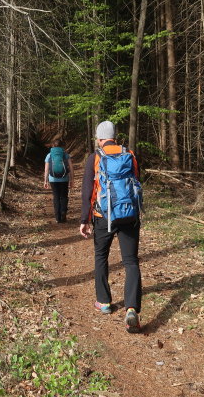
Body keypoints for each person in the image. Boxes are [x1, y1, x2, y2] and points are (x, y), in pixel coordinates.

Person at [79, 121, 142, 333]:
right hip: (129, 215)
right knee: (131, 261)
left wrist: (84, 220)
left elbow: (88, 191)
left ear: (99, 138)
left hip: (103, 216)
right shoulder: (130, 154)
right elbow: (136, 183)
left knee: (101, 257)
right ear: (115, 136)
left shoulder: (95, 157)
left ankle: (104, 301)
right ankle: (132, 308)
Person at [44, 139, 74, 223]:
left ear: (52, 146)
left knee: (56, 196)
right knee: (64, 196)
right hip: (64, 178)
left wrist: (45, 181)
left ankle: (58, 218)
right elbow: (71, 168)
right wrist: (72, 180)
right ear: (62, 146)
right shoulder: (66, 155)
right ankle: (63, 214)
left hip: (53, 179)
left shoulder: (49, 155)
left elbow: (46, 170)